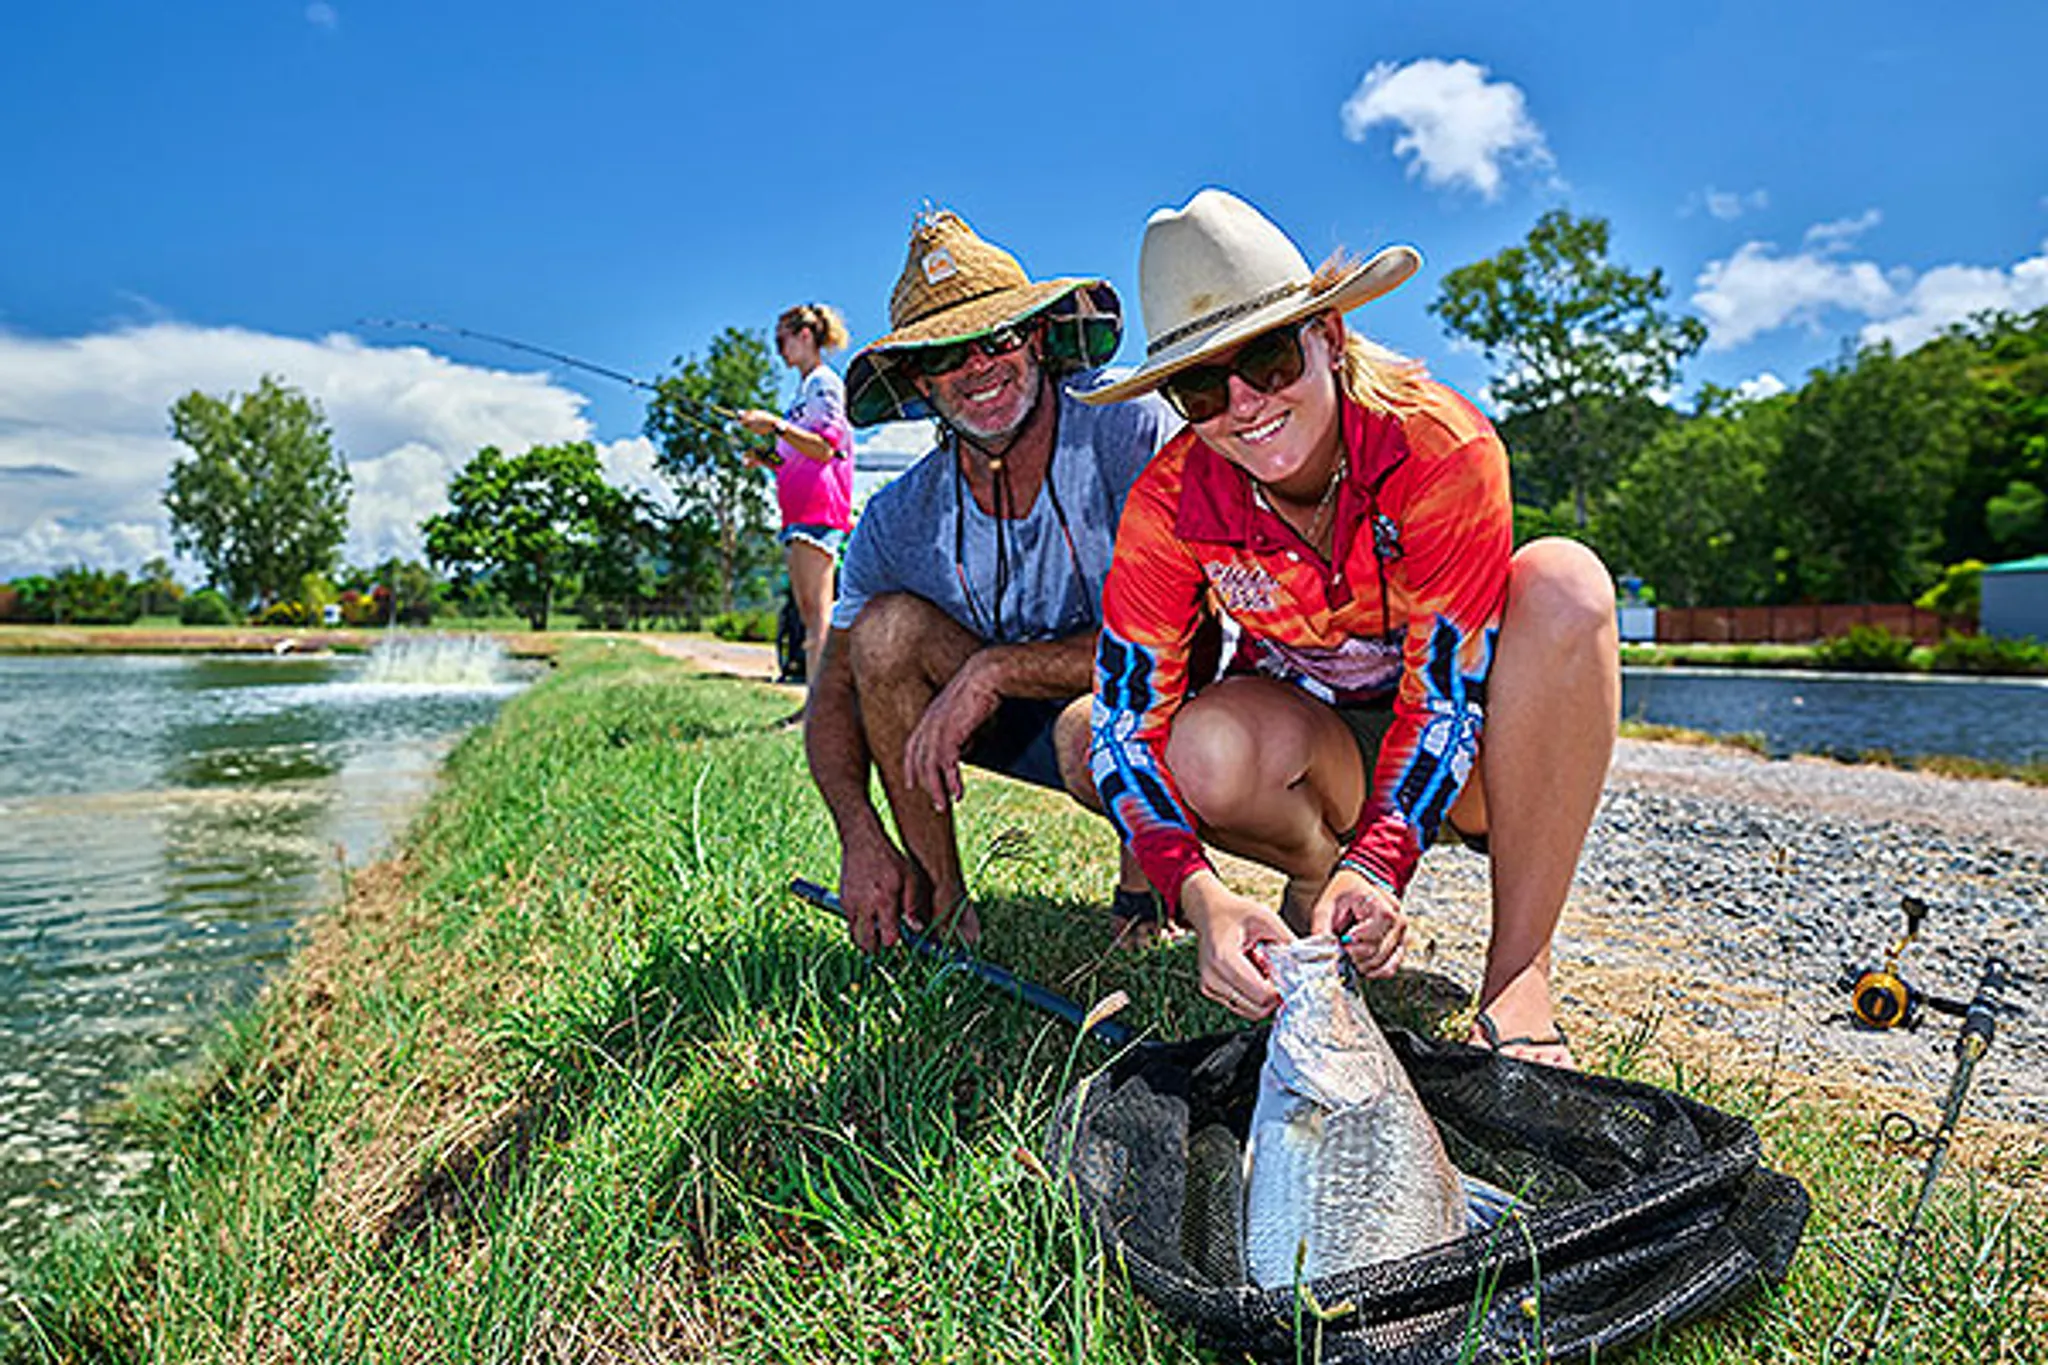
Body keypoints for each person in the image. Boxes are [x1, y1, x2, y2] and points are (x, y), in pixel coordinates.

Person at [1081, 189, 1619, 1068]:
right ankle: (1311, 875)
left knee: (1568, 582)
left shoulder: (1437, 443)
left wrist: (1384, 859)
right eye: (1202, 387)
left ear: (1328, 336)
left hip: (1472, 755)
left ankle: (1519, 970)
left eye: (1266, 357)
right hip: (1313, 744)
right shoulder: (1169, 499)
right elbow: (1122, 723)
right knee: (1199, 747)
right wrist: (1200, 897)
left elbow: (1445, 693)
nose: (1245, 405)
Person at [809, 207, 1177, 953]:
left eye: (999, 337)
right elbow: (831, 695)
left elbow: (1178, 642)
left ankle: (1146, 887)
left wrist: (997, 667)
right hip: (996, 719)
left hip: (1137, 706)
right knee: (882, 635)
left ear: (1038, 339)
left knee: (1094, 730)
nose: (979, 367)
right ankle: (941, 900)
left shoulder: (1128, 427)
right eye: (947, 354)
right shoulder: (894, 519)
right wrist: (860, 834)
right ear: (919, 379)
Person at [737, 303, 855, 690]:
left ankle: (820, 709)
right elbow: (799, 457)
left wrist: (775, 425)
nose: (778, 349)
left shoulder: (824, 383)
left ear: (804, 336)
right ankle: (815, 704)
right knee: (808, 616)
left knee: (818, 616)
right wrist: (767, 458)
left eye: (781, 340)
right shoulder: (804, 391)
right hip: (798, 513)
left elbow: (824, 449)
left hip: (820, 512)